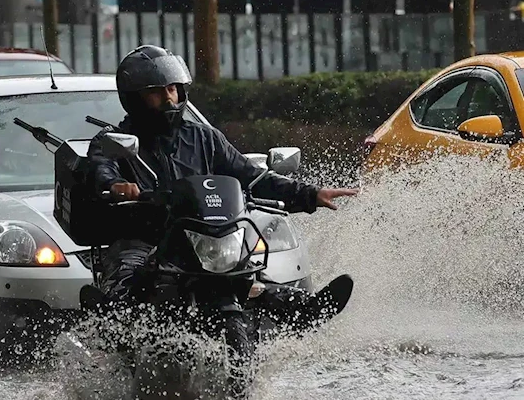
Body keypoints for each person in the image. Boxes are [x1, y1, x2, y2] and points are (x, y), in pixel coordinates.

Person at [86, 45, 358, 334]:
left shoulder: (205, 138)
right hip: (143, 235)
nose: (168, 97)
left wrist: (310, 194)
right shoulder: (115, 140)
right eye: (156, 91)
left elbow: (251, 176)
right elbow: (101, 169)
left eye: (172, 88)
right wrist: (115, 186)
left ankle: (303, 309)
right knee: (127, 283)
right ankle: (111, 327)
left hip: (199, 236)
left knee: (246, 273)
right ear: (134, 98)